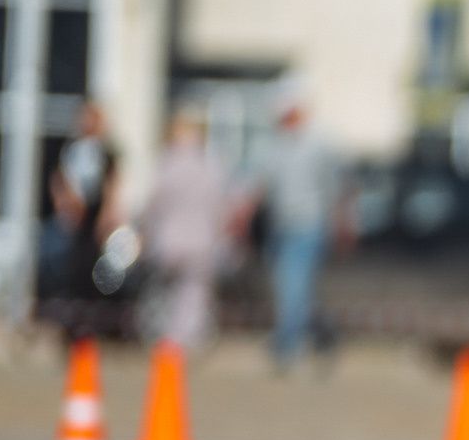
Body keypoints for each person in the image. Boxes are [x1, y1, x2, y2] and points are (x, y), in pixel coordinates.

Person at [258, 81, 344, 370]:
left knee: (293, 284)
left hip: (308, 224)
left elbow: (333, 186)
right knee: (289, 287)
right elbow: (263, 184)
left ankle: (287, 346)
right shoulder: (275, 144)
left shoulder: (317, 144)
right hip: (281, 225)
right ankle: (316, 336)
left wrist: (339, 222)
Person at [138, 107, 236, 351]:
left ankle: (166, 338)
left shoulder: (167, 163)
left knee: (166, 292)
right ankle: (184, 341)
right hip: (201, 240)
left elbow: (153, 204)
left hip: (168, 240)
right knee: (194, 295)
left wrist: (146, 232)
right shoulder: (211, 166)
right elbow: (220, 207)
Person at [38, 101, 119, 331]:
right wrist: (66, 204)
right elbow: (59, 179)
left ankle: (91, 319)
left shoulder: (105, 150)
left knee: (93, 268)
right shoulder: (70, 147)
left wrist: (108, 213)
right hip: (73, 219)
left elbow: (112, 183)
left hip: (94, 221)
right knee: (66, 267)